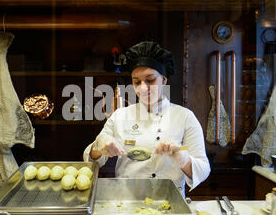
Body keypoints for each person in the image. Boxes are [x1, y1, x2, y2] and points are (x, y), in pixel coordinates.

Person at [83, 41, 210, 197]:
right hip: (126, 202)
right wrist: (98, 146)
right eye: (137, 82)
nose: (143, 88)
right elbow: (90, 160)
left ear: (163, 80)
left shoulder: (185, 116)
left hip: (170, 203)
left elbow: (203, 170)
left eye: (150, 80)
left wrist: (182, 158)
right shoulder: (120, 116)